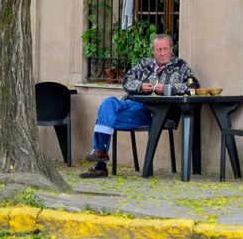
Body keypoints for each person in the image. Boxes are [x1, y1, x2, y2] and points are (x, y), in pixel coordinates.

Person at [79, 33, 196, 178]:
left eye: (165, 49)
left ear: (171, 49)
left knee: (105, 119)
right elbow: (127, 80)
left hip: (152, 111)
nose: (162, 53)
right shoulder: (144, 63)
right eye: (159, 50)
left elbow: (193, 86)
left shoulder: (180, 66)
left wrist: (168, 88)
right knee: (108, 104)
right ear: (153, 51)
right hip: (131, 103)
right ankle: (101, 154)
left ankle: (100, 164)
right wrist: (140, 86)